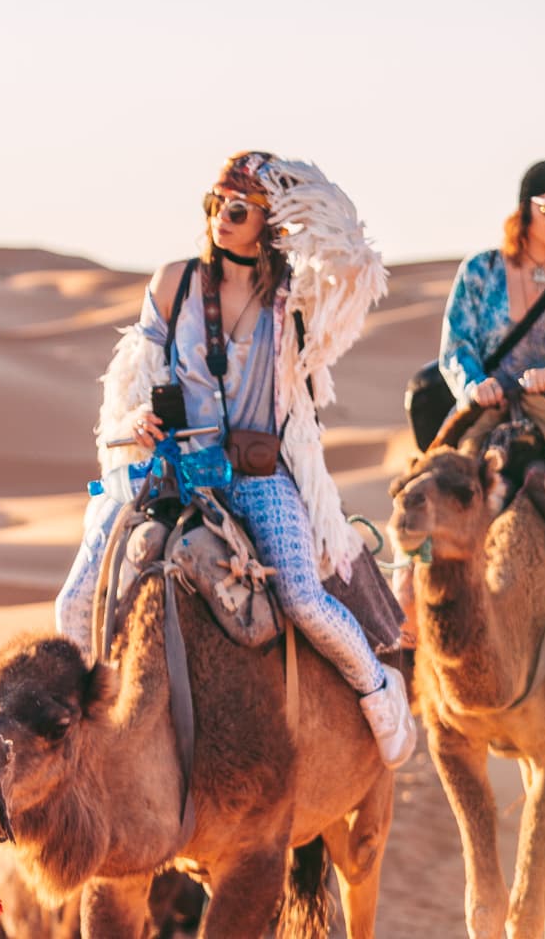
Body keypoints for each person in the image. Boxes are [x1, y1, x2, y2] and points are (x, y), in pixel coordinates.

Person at [54, 150, 417, 768]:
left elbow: (356, 263)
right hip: (170, 467)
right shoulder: (175, 282)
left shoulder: (293, 300)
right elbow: (132, 374)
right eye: (219, 202)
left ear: (269, 220)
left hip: (259, 474)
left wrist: (296, 186)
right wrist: (134, 417)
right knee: (74, 602)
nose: (226, 216)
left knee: (304, 598)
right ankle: (86, 733)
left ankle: (380, 693)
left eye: (243, 207)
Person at [440, 160, 545, 414]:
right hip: (484, 410)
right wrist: (475, 385)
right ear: (525, 209)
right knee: (446, 455)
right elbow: (456, 346)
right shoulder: (480, 270)